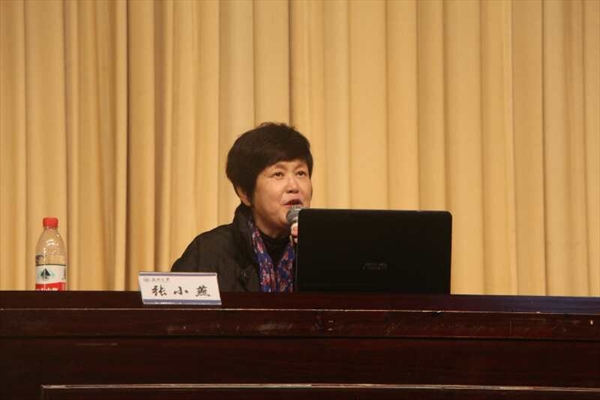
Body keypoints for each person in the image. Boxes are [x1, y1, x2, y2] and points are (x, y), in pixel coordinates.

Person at [171, 122, 313, 292]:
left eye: (300, 173)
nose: (294, 186)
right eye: (278, 174)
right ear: (245, 193)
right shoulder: (207, 252)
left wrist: (315, 253)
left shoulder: (327, 252)